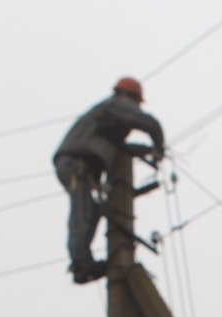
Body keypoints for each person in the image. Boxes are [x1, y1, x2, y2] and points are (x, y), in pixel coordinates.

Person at [52, 77, 164, 284]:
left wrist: (148, 151)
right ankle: (81, 263)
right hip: (76, 164)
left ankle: (83, 263)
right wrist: (159, 147)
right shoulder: (117, 105)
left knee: (92, 211)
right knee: (83, 211)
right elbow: (149, 123)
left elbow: (120, 148)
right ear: (132, 97)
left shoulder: (106, 120)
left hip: (78, 164)